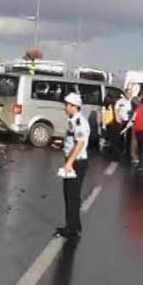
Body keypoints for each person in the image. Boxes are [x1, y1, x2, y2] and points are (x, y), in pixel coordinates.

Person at [56, 92, 90, 240]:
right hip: (73, 160)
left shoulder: (79, 122)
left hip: (77, 162)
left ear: (75, 106)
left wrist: (69, 162)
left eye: (67, 105)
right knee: (70, 195)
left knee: (71, 195)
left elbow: (80, 143)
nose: (65, 108)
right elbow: (72, 140)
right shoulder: (72, 120)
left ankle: (71, 229)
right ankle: (74, 225)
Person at [114, 91, 132, 158]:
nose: (129, 95)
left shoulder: (132, 101)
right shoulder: (120, 101)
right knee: (120, 135)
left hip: (130, 121)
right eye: (128, 93)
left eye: (130, 93)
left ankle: (128, 150)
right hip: (122, 121)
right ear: (125, 94)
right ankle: (120, 149)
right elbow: (116, 109)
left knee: (129, 137)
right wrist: (117, 119)